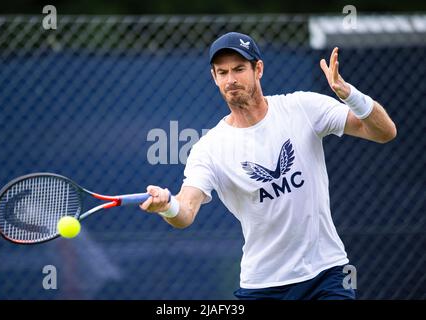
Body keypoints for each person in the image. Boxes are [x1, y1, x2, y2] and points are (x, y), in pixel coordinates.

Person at [139, 32, 397, 300]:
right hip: (262, 286)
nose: (231, 80)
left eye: (239, 69)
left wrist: (350, 94)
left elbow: (384, 132)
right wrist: (167, 205)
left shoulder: (302, 107)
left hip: (327, 273)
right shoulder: (209, 148)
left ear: (258, 69)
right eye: (223, 72)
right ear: (214, 78)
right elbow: (186, 211)